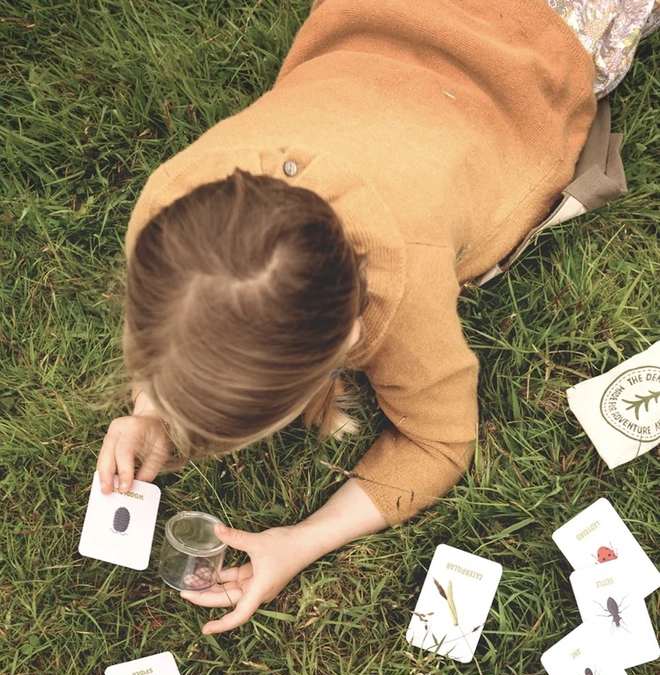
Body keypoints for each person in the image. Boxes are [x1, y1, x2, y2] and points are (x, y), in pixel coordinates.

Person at [97, 0, 659, 634]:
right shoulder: (168, 198)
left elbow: (438, 442)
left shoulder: (404, 283)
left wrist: (304, 539)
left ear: (351, 341)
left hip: (526, 53)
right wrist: (152, 408)